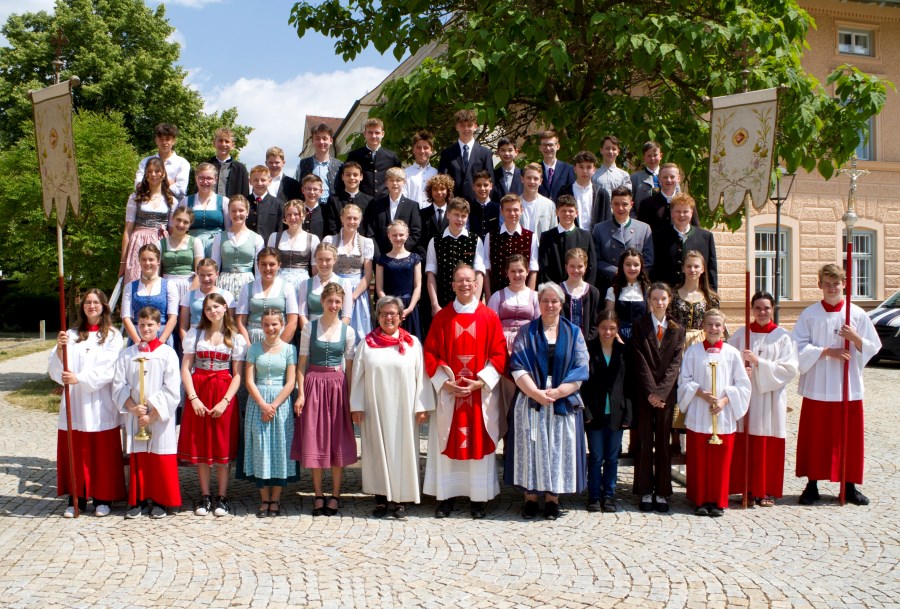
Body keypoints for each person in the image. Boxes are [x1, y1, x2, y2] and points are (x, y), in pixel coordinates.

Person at [792, 264, 881, 506]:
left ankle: (849, 485)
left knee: (848, 438)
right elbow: (796, 347)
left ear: (844, 285)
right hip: (818, 385)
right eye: (827, 283)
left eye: (836, 283)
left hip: (847, 386)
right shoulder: (809, 314)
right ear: (819, 284)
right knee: (815, 437)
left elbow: (874, 347)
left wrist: (856, 338)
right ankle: (812, 484)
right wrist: (827, 351)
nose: (832, 288)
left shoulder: (858, 314)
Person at [423, 264, 507, 519]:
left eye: (469, 281)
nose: (465, 285)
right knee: (447, 439)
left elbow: (500, 353)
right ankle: (446, 496)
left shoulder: (489, 316)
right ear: (452, 285)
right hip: (450, 394)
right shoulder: (442, 317)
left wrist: (481, 382)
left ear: (476, 284)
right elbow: (430, 353)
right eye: (459, 281)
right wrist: (444, 383)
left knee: (478, 440)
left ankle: (478, 498)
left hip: (478, 394)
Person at [505, 281, 590, 520]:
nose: (550, 305)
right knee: (532, 448)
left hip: (562, 399)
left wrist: (561, 391)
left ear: (561, 305)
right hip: (532, 398)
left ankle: (553, 498)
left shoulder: (573, 333)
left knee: (556, 448)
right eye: (545, 300)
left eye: (554, 301)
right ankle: (530, 498)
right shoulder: (526, 331)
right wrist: (535, 393)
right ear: (538, 303)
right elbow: (517, 365)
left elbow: (581, 367)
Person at [49, 289, 125, 518]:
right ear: (82, 307)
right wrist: (61, 349)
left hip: (100, 401)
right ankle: (77, 499)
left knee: (101, 451)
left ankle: (103, 497)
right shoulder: (71, 335)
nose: (91, 306)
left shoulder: (113, 336)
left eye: (95, 302)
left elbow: (110, 369)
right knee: (77, 450)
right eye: (87, 303)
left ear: (104, 306)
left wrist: (79, 378)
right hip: (75, 401)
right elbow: (56, 367)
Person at [178, 293, 246, 517]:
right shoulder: (194, 334)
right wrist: (193, 397)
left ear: (225, 307)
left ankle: (223, 497)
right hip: (199, 391)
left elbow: (237, 375)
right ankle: (205, 495)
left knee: (221, 445)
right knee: (202, 444)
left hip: (222, 391)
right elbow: (186, 369)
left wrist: (226, 401)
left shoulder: (235, 337)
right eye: (208, 308)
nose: (212, 311)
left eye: (216, 307)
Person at [677, 309, 751, 517]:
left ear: (724, 327)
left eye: (718, 325)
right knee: (700, 460)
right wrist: (701, 394)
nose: (713, 328)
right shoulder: (693, 352)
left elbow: (742, 384)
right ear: (703, 326)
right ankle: (700, 499)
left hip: (723, 414)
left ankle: (718, 500)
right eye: (709, 324)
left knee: (721, 461)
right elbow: (684, 381)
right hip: (700, 412)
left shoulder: (732, 353)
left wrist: (725, 400)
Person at [292, 283, 358, 516]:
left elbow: (349, 368)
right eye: (330, 301)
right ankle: (318, 493)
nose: (333, 306)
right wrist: (301, 393)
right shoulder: (310, 328)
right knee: (315, 439)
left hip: (337, 386)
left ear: (342, 304)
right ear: (322, 302)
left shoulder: (348, 331)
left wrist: (351, 400)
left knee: (336, 440)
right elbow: (301, 363)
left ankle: (336, 494)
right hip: (313, 385)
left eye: (338, 302)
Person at [727, 292, 798, 506]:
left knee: (767, 441)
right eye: (757, 308)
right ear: (751, 309)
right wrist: (741, 371)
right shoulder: (740, 335)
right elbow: (727, 363)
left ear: (773, 308)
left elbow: (789, 369)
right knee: (745, 440)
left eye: (766, 308)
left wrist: (759, 363)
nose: (762, 312)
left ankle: (765, 490)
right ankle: (746, 487)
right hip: (747, 397)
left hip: (770, 397)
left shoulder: (783, 337)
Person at [113, 306, 182, 518]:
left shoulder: (167, 354)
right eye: (141, 325)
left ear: (159, 326)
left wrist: (151, 414)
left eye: (150, 325)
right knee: (140, 458)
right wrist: (133, 408)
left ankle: (161, 501)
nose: (145, 329)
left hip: (159, 417)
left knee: (160, 457)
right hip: (136, 414)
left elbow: (172, 388)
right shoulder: (127, 355)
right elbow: (118, 384)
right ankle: (139, 500)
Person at [631, 282, 685, 513]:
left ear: (669, 300)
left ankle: (662, 491)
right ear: (649, 301)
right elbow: (639, 359)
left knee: (663, 442)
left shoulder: (677, 328)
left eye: (663, 299)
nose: (659, 303)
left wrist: (661, 392)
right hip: (645, 394)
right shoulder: (640, 325)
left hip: (666, 395)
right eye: (655, 299)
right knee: (644, 441)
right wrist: (651, 392)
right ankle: (644, 489)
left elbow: (676, 363)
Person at [242, 308, 299, 517]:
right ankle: (264, 498)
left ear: (282, 324)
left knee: (279, 447)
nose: (270, 328)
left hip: (280, 403)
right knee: (260, 446)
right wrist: (262, 404)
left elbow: (291, 381)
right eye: (266, 324)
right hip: (257, 402)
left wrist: (273, 405)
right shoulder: (254, 348)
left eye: (274, 324)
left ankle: (276, 498)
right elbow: (249, 380)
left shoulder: (289, 349)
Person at [583, 310, 632, 512]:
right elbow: (582, 385)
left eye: (612, 328)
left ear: (617, 329)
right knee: (595, 456)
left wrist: (628, 414)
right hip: (594, 412)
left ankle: (609, 495)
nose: (607, 332)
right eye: (604, 327)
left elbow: (629, 386)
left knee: (612, 457)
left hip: (616, 413)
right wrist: (585, 411)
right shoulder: (588, 349)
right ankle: (594, 495)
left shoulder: (623, 352)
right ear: (597, 328)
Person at [487, 254, 540, 423]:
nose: (517, 275)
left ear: (528, 272)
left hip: (527, 349)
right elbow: (491, 326)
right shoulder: (498, 296)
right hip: (503, 349)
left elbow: (540, 326)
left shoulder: (535, 297)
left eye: (521, 271)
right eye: (513, 271)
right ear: (507, 273)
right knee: (505, 396)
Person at [120, 157, 177, 284]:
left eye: (157, 171)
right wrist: (123, 261)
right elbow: (127, 231)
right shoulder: (135, 198)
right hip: (138, 243)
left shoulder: (171, 201)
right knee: (135, 282)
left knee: (157, 284)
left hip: (160, 243)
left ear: (163, 174)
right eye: (150, 171)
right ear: (145, 174)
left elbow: (172, 232)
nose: (153, 174)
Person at [425, 197, 486, 313]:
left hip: (469, 302)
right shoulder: (435, 241)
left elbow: (479, 272)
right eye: (456, 215)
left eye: (463, 216)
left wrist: (476, 303)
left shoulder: (475, 240)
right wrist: (435, 305)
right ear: (448, 214)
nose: (460, 219)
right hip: (443, 302)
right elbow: (431, 274)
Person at [324, 204, 374, 345]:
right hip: (335, 290)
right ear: (342, 219)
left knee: (358, 334)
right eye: (348, 218)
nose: (352, 221)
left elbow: (368, 275)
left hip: (357, 293)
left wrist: (352, 297)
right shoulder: (330, 240)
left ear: (360, 220)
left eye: (355, 218)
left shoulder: (366, 243)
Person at [592, 186, 654, 297]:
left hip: (637, 287)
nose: (620, 208)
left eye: (625, 204)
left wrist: (633, 274)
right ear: (611, 205)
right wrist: (618, 272)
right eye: (616, 204)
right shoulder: (599, 229)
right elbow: (596, 260)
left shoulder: (644, 229)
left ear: (631, 205)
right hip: (609, 285)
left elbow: (648, 260)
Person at [650, 192, 715, 290]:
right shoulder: (658, 237)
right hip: (666, 297)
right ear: (671, 212)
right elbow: (654, 270)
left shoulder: (706, 237)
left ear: (692, 213)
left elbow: (711, 270)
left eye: (685, 211)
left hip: (697, 295)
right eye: (678, 211)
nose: (681, 215)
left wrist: (712, 296)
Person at [236, 248, 299, 344]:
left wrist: (279, 346)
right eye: (263, 264)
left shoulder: (287, 287)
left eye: (272, 264)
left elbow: (292, 322)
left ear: (279, 265)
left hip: (280, 340)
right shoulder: (247, 287)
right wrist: (249, 347)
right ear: (257, 265)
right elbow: (241, 321)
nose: (268, 268)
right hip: (252, 340)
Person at [121, 244, 179, 347]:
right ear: (139, 261)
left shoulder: (169, 285)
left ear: (158, 261)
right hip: (137, 336)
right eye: (143, 259)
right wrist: (138, 342)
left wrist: (159, 342)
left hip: (162, 336)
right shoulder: (130, 287)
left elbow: (173, 317)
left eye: (151, 259)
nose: (147, 263)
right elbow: (126, 317)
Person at [483, 194, 539, 298]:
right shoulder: (490, 236)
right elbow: (486, 269)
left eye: (515, 210)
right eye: (508, 210)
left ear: (521, 210)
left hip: (523, 296)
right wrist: (488, 297)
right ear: (501, 211)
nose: (512, 213)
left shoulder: (531, 236)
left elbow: (533, 268)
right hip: (497, 296)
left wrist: (530, 298)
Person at [211, 195, 264, 301]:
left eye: (241, 210)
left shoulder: (257, 238)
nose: (237, 214)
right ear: (229, 213)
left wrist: (259, 289)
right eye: (233, 211)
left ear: (247, 212)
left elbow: (259, 268)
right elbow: (214, 264)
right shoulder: (219, 237)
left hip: (247, 282)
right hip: (224, 283)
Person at [375, 220, 422, 340]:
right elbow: (379, 287)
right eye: (394, 235)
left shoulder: (414, 258)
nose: (398, 238)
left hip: (408, 307)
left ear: (407, 236)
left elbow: (418, 286)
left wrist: (410, 308)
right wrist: (388, 307)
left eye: (401, 235)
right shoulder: (382, 260)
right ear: (389, 236)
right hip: (389, 308)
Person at [362, 167, 422, 258]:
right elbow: (371, 232)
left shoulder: (412, 206)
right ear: (386, 183)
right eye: (391, 180)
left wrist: (400, 251)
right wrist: (378, 254)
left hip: (404, 256)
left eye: (398, 180)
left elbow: (416, 232)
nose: (395, 183)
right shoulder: (376, 205)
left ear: (404, 182)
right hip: (381, 255)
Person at [537, 194, 597, 286]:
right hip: (554, 291)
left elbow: (592, 266)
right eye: (563, 211)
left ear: (576, 213)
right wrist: (553, 289)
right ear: (557, 212)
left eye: (571, 211)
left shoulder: (586, 236)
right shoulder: (547, 237)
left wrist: (585, 288)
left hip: (579, 289)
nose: (567, 214)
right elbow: (543, 266)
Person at [438, 109, 494, 202]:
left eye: (469, 125)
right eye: (462, 126)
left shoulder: (485, 153)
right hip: (454, 205)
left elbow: (490, 181)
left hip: (478, 205)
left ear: (475, 126)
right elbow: (442, 180)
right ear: (457, 127)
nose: (466, 129)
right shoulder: (447, 153)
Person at [669, 250, 719, 348]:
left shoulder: (711, 298)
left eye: (696, 266)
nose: (692, 270)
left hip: (703, 342)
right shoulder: (673, 296)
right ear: (683, 269)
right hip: (677, 343)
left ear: (702, 269)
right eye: (689, 266)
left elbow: (716, 324)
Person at [341, 118, 401, 199]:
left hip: (385, 202)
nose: (373, 136)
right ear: (364, 134)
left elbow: (398, 179)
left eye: (377, 133)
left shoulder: (391, 157)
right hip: (361, 202)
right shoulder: (354, 156)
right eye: (370, 132)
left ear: (382, 134)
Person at [157, 206, 204, 310]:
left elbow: (200, 273)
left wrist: (189, 295)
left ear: (190, 225)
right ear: (172, 219)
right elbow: (156, 273)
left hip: (189, 286)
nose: (181, 224)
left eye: (185, 222)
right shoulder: (160, 243)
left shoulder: (195, 242)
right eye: (178, 220)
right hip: (166, 286)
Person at [298, 243, 353, 329]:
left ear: (334, 260)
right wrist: (309, 333)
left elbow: (346, 315)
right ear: (315, 260)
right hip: (311, 331)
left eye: (328, 260)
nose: (324, 264)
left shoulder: (345, 283)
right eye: (320, 259)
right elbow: (302, 314)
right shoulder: (305, 284)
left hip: (336, 332)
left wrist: (336, 334)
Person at [268, 199, 320, 290]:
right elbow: (269, 263)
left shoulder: (313, 239)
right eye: (289, 214)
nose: (292, 218)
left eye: (296, 214)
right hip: (279, 284)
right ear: (285, 217)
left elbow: (315, 269)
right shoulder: (274, 237)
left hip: (303, 285)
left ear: (303, 215)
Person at [181, 162, 229, 258]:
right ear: (196, 178)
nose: (205, 182)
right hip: (192, 246)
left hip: (216, 246)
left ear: (215, 180)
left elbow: (228, 229)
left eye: (209, 178)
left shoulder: (224, 201)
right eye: (201, 178)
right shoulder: (186, 201)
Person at [179, 259, 235, 338]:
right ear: (197, 275)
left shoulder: (226, 295)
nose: (206, 279)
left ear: (217, 274)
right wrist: (187, 344)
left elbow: (230, 324)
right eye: (202, 275)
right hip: (194, 338)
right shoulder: (189, 295)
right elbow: (183, 326)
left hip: (219, 337)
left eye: (209, 275)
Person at [134, 123, 190, 201]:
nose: (164, 142)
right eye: (161, 139)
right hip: (148, 205)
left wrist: (151, 181)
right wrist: (170, 182)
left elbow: (180, 190)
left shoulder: (182, 163)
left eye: (167, 139)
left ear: (174, 141)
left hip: (174, 208)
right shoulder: (145, 161)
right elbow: (138, 186)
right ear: (156, 141)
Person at [638, 163, 699, 235]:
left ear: (678, 178)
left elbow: (696, 230)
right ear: (659, 179)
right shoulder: (647, 204)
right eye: (665, 177)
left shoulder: (687, 203)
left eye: (672, 177)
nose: (669, 180)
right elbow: (641, 232)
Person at [604, 248, 651, 341]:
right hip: (619, 338)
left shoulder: (648, 290)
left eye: (636, 265)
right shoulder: (613, 290)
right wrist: (617, 338)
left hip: (642, 339)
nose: (632, 268)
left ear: (641, 267)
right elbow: (609, 318)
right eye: (628, 264)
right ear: (622, 266)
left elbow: (651, 318)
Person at [557, 150, 610, 232]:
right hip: (571, 239)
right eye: (581, 167)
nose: (585, 171)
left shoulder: (602, 194)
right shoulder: (564, 192)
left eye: (589, 167)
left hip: (596, 241)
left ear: (594, 170)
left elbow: (607, 221)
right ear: (575, 169)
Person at [561, 248, 602, 345]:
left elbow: (596, 322)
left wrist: (586, 342)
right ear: (566, 267)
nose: (576, 270)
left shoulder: (593, 292)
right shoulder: (558, 290)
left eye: (580, 266)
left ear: (586, 266)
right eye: (572, 266)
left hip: (587, 346)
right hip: (562, 344)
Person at [297, 122, 345, 204]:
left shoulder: (339, 165)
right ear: (313, 141)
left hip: (333, 209)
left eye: (325, 138)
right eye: (317, 138)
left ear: (331, 141)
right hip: (310, 209)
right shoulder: (303, 164)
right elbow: (298, 187)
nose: (321, 142)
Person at [326, 161, 372, 236]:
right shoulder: (334, 200)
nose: (352, 178)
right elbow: (332, 226)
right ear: (342, 177)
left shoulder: (369, 201)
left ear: (361, 177)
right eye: (348, 175)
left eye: (355, 175)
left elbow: (370, 228)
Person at [246, 165, 282, 245]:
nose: (259, 183)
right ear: (250, 181)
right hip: (247, 246)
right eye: (255, 180)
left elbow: (280, 230)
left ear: (270, 181)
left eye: (263, 180)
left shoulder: (277, 204)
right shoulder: (244, 202)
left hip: (268, 247)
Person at [519, 163, 557, 235]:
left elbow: (553, 234)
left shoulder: (549, 205)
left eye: (536, 178)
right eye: (528, 178)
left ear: (540, 181)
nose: (532, 181)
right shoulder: (514, 204)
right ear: (522, 179)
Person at [536, 130, 575, 202]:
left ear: (558, 146)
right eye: (544, 145)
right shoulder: (535, 170)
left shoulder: (568, 169)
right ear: (540, 147)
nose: (547, 148)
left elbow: (572, 196)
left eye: (550, 145)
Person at [403, 130, 438, 208]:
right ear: (413, 150)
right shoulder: (405, 174)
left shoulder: (436, 174)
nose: (422, 151)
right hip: (411, 216)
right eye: (418, 148)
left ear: (431, 150)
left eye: (426, 148)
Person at [591, 135, 631, 200]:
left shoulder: (624, 175)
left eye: (614, 149)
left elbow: (627, 198)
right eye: (607, 148)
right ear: (601, 150)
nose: (610, 152)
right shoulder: (593, 174)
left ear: (618, 152)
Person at [629, 141, 663, 212]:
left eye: (655, 155)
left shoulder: (669, 177)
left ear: (661, 156)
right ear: (644, 158)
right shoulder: (635, 178)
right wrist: (636, 221)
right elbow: (629, 203)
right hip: (641, 220)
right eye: (649, 156)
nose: (652, 158)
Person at [468, 170, 501, 240]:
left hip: (493, 247)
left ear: (491, 186)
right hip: (474, 247)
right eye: (478, 185)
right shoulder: (468, 208)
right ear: (473, 187)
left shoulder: (498, 208)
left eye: (486, 185)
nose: (482, 188)